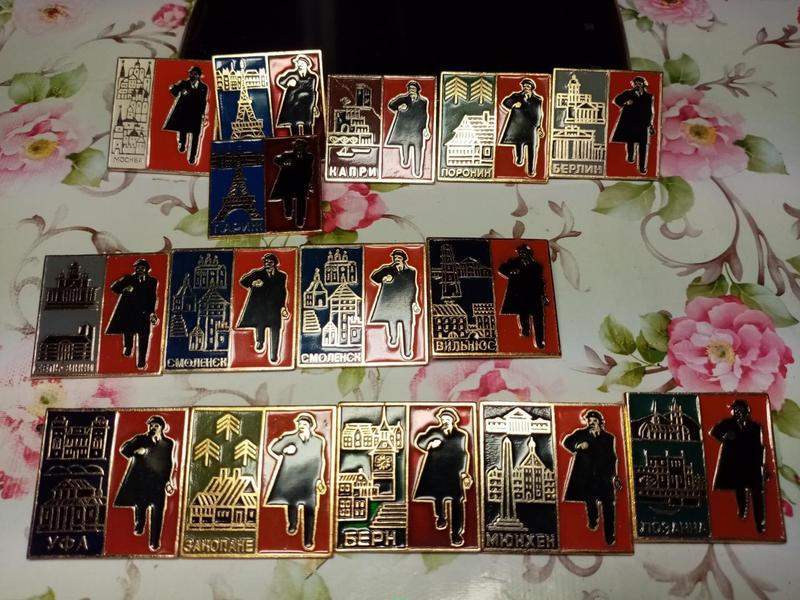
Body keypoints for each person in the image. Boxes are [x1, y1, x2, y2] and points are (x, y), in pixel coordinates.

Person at [113, 415, 176, 551]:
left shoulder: (168, 443)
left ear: (162, 427)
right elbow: (123, 449)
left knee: (158, 512)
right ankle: (139, 525)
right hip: (142, 481)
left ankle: (154, 542)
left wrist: (168, 481)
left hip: (158, 482)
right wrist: (136, 451)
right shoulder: (140, 439)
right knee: (141, 506)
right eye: (151, 425)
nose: (153, 428)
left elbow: (168, 462)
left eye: (156, 426)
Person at [265, 413, 327, 549]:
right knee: (292, 502)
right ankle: (293, 524)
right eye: (299, 424)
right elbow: (274, 448)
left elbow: (320, 460)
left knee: (310, 509)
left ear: (310, 426)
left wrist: (319, 479)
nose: (301, 426)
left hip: (309, 478)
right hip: (292, 477)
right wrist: (284, 450)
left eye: (304, 424)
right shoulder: (290, 438)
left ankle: (308, 539)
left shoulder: (318, 441)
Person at [412, 407, 473, 546]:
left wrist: (464, 473)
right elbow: (419, 441)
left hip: (454, 472)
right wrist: (429, 443)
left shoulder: (461, 435)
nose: (445, 421)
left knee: (457, 502)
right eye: (443, 419)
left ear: (453, 420)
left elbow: (464, 454)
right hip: (436, 470)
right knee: (438, 496)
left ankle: (456, 534)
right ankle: (440, 516)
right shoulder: (434, 432)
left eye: (447, 419)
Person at [562, 410, 621, 545]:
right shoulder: (580, 433)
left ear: (600, 422)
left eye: (594, 421)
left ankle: (610, 535)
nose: (591, 423)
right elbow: (566, 442)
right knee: (590, 500)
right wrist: (578, 446)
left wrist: (614, 476)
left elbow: (612, 457)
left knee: (608, 505)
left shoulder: (609, 437)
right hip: (587, 476)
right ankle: (593, 520)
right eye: (589, 420)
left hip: (604, 477)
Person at [710, 399, 768, 533]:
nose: (737, 412)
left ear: (746, 411)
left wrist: (763, 465)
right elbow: (714, 432)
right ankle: (742, 512)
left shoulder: (755, 426)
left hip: (752, 464)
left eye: (740, 410)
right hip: (736, 464)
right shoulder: (727, 423)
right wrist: (724, 436)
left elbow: (761, 447)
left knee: (757, 493)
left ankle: (760, 523)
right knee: (739, 489)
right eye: (735, 410)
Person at [105, 258, 159, 369]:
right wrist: (125, 289)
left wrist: (152, 313)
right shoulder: (128, 278)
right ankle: (128, 347)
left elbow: (153, 297)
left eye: (142, 268)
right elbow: (114, 287)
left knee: (144, 337)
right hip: (129, 311)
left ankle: (141, 361)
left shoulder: (152, 281)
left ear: (147, 269)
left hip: (144, 313)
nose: (139, 269)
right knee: (129, 333)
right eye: (137, 268)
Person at [237, 253, 289, 364]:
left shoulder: (282, 276)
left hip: (275, 308)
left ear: (275, 263)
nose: (267, 264)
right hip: (261, 307)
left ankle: (274, 355)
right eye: (265, 262)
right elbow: (243, 281)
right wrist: (253, 283)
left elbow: (283, 292)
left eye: (270, 262)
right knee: (260, 325)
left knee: (276, 330)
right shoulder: (257, 273)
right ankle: (260, 341)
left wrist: (283, 307)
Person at [368, 249, 420, 359]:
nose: (397, 260)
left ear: (404, 259)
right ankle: (393, 337)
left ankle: (407, 351)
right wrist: (383, 278)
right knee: (392, 321)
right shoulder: (387, 269)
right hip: (391, 301)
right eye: (395, 258)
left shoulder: (411, 272)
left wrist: (414, 302)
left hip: (406, 303)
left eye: (399, 258)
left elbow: (413, 287)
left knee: (408, 326)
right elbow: (374, 277)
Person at [498, 244, 548, 348]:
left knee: (538, 318)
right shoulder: (514, 262)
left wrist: (543, 296)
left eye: (524, 253)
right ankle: (525, 330)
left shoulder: (537, 266)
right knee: (523, 315)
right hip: (521, 294)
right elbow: (501, 269)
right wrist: (511, 273)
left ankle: (539, 341)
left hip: (535, 295)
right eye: (520, 253)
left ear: (529, 253)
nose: (522, 254)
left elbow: (540, 282)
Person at [162, 65, 208, 165]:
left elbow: (204, 102)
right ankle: (182, 143)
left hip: (196, 114)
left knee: (196, 136)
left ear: (198, 75)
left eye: (194, 74)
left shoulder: (204, 87)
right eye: (190, 73)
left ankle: (192, 157)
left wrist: (203, 114)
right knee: (183, 130)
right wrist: (177, 90)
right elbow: (173, 90)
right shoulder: (184, 83)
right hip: (185, 112)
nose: (191, 75)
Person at [498, 78, 545, 176]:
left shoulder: (537, 100)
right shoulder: (516, 96)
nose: (525, 88)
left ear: (532, 88)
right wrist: (513, 104)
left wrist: (539, 127)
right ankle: (519, 158)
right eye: (524, 86)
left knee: (532, 148)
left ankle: (531, 169)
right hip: (519, 126)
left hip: (532, 127)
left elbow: (539, 114)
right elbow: (505, 102)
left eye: (528, 86)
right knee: (519, 144)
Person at [610, 76, 655, 174]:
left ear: (643, 84)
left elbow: (650, 111)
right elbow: (617, 100)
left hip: (643, 123)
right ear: (633, 84)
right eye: (636, 83)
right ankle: (630, 156)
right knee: (630, 141)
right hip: (630, 122)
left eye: (640, 83)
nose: (637, 85)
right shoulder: (628, 93)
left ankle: (642, 167)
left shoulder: (649, 96)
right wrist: (626, 103)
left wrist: (651, 124)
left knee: (643, 145)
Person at [385, 80, 430, 177]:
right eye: (409, 89)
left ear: (417, 90)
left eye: (413, 88)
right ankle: (405, 160)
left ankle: (417, 170)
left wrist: (425, 128)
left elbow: (424, 115)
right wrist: (398, 107)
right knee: (405, 145)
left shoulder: (423, 102)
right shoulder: (403, 99)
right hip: (405, 128)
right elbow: (391, 104)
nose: (411, 90)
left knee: (418, 148)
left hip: (417, 129)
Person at [269, 138, 315, 228]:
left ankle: (300, 221)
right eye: (297, 145)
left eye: (300, 146)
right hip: (289, 181)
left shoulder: (309, 156)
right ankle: (288, 213)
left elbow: (309, 170)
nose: (298, 147)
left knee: (301, 201)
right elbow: (276, 159)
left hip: (301, 182)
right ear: (294, 146)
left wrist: (310, 183)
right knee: (287, 198)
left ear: (304, 147)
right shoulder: (287, 154)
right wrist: (283, 163)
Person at [275, 55, 320, 135]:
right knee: (294, 126)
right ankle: (295, 140)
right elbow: (280, 80)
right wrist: (287, 82)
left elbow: (314, 92)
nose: (299, 65)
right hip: (293, 105)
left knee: (307, 125)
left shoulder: (313, 77)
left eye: (301, 64)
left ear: (306, 64)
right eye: (298, 64)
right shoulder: (291, 74)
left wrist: (314, 105)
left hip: (306, 106)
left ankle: (308, 140)